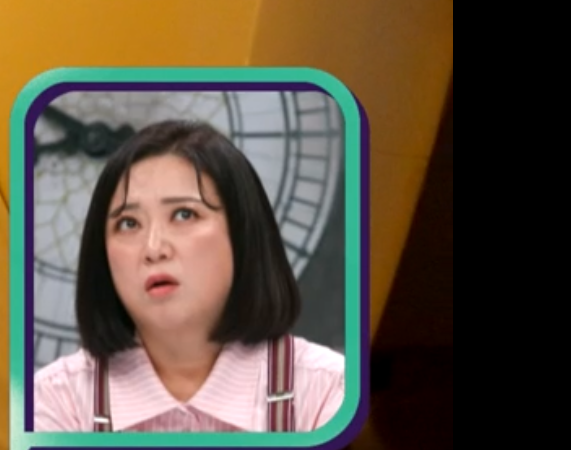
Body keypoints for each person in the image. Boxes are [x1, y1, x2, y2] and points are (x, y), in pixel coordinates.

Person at [31, 120, 344, 433]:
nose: (154, 249)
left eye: (184, 214)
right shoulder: (53, 402)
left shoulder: (331, 390)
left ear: (243, 234)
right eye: (128, 223)